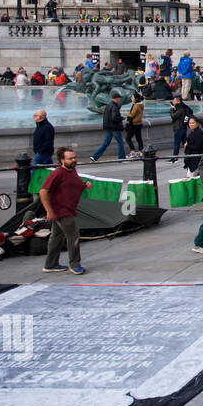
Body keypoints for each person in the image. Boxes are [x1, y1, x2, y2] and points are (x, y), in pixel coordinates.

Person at [39, 147, 90, 275]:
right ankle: (75, 264)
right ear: (62, 160)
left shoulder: (72, 170)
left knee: (56, 236)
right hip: (61, 211)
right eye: (70, 158)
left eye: (74, 157)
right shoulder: (57, 173)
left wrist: (85, 185)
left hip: (68, 209)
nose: (74, 160)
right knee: (73, 235)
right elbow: (43, 191)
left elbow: (74, 184)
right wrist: (49, 211)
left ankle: (50, 264)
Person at [90, 92, 126, 161]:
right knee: (120, 142)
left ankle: (95, 157)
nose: (119, 100)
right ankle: (121, 158)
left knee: (106, 142)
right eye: (119, 98)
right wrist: (121, 118)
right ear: (116, 99)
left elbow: (107, 117)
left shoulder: (108, 105)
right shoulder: (114, 106)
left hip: (108, 127)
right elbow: (114, 118)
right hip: (114, 128)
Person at [125, 92, 145, 158]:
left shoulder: (136, 105)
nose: (131, 98)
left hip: (134, 124)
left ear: (136, 98)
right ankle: (140, 151)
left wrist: (127, 113)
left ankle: (132, 151)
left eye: (132, 97)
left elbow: (132, 115)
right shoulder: (141, 104)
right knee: (139, 138)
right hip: (139, 124)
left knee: (128, 138)